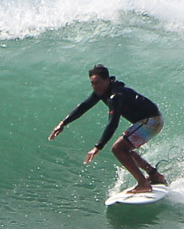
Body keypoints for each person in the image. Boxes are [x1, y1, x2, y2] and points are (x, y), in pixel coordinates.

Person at [48, 65, 167, 193]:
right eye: (92, 83)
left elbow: (113, 122)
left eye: (97, 82)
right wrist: (63, 123)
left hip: (151, 121)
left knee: (118, 149)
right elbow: (83, 107)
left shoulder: (116, 95)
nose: (94, 86)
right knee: (125, 150)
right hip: (151, 120)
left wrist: (98, 146)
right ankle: (155, 175)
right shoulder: (102, 92)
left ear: (107, 80)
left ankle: (143, 184)